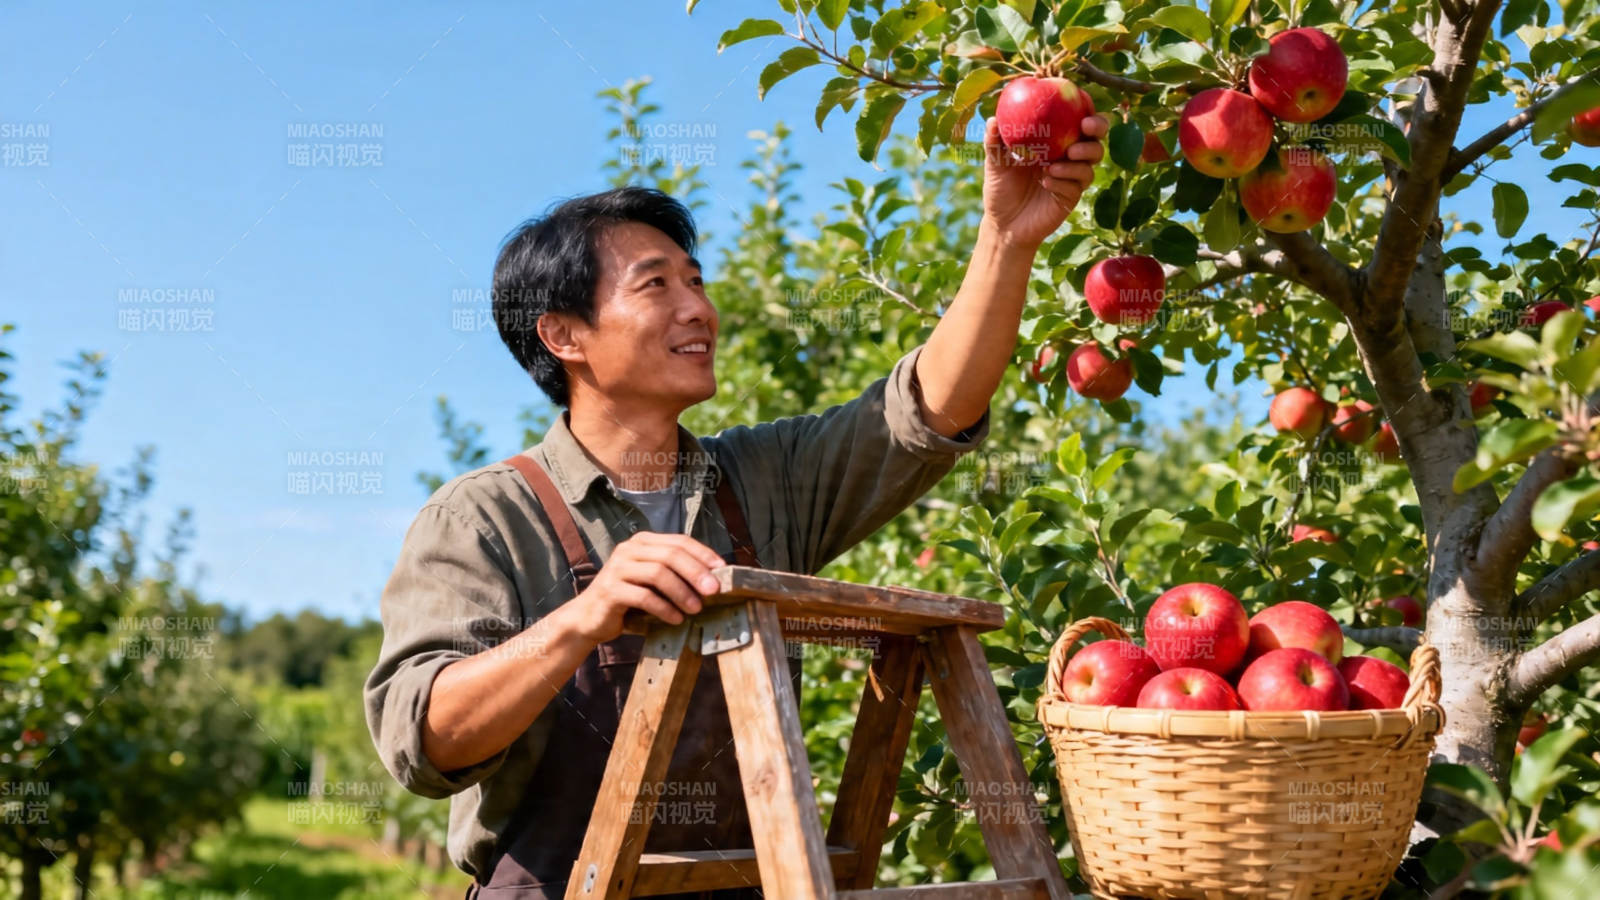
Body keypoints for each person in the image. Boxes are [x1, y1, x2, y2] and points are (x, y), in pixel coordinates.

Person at [364, 113, 1107, 898]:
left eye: (697, 281)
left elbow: (931, 408)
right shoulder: (485, 519)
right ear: (563, 336)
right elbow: (425, 739)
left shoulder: (757, 483)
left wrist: (1006, 237)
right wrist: (586, 617)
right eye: (656, 284)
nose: (698, 309)